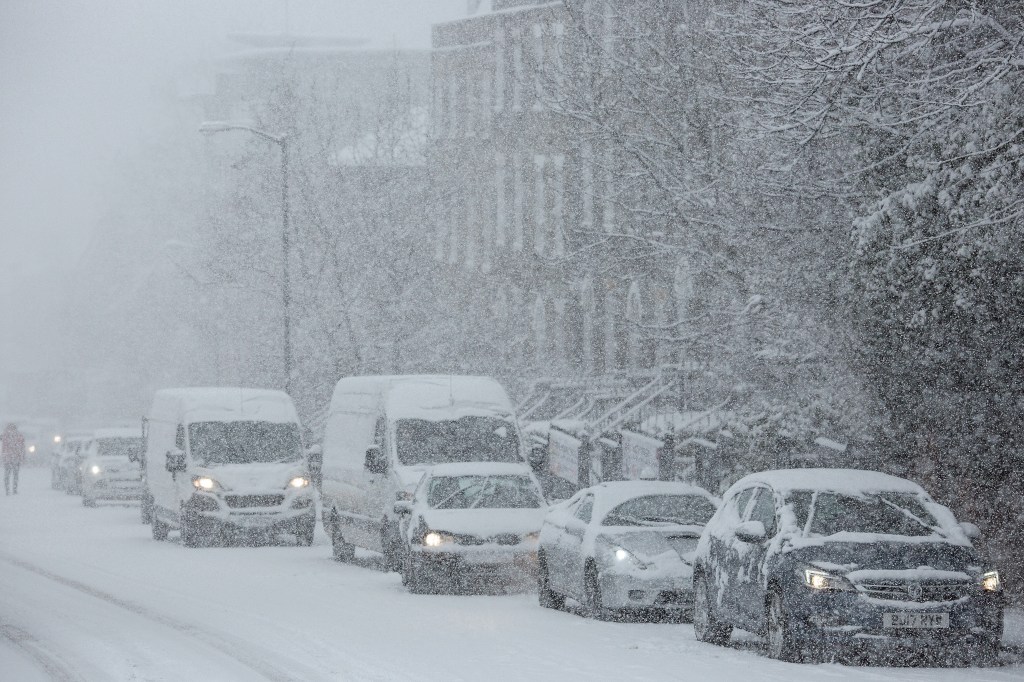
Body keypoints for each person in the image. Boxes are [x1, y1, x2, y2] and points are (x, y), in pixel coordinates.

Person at [2, 423, 26, 495]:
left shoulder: (5, 435)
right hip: (16, 458)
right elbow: (22, 447)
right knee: (15, 475)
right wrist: (22, 457)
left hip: (8, 458)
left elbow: (3, 447)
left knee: (7, 475)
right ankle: (14, 489)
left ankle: (7, 490)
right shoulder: (19, 436)